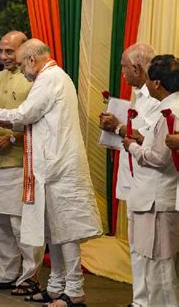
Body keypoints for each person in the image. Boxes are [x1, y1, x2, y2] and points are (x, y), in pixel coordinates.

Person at [0, 39, 103, 307]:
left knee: (66, 230)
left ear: (32, 60)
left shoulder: (49, 79)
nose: (22, 70)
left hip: (59, 168)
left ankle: (74, 290)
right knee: (53, 230)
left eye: (23, 64)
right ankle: (57, 286)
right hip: (51, 167)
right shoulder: (53, 77)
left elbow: (26, 113)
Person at [0, 31, 44, 294]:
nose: (2, 57)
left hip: (23, 163)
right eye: (0, 51)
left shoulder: (35, 79)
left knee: (19, 223)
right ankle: (6, 273)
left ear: (25, 50)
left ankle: (29, 277)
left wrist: (13, 138)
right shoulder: (0, 77)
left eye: (9, 52)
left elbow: (37, 119)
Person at [98, 43, 159, 307]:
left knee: (150, 250)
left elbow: (148, 140)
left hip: (149, 183)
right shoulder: (139, 95)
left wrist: (119, 126)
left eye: (124, 66)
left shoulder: (157, 98)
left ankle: (149, 301)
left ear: (136, 68)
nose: (122, 72)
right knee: (136, 247)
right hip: (134, 179)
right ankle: (139, 300)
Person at [123, 55, 179, 307]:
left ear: (156, 83)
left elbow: (159, 158)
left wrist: (133, 146)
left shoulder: (169, 111)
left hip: (158, 196)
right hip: (158, 196)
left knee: (161, 266)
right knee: (156, 262)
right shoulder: (170, 108)